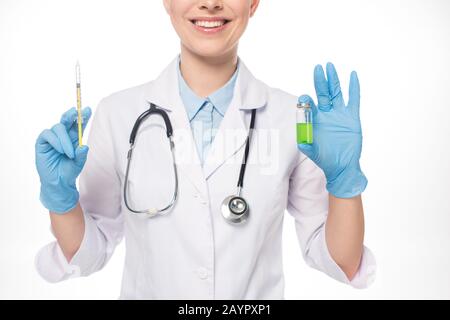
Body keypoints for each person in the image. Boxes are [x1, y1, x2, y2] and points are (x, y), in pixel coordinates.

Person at [34, 0, 376, 299]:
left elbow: (342, 260)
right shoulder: (118, 114)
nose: (210, 3)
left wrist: (343, 182)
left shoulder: (292, 120)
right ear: (167, 1)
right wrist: (60, 199)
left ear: (253, 3)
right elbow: (90, 253)